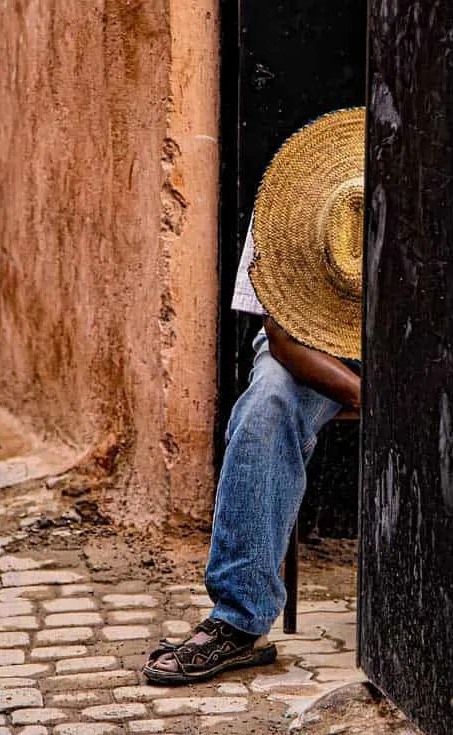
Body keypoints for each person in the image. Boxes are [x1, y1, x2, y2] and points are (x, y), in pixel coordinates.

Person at [144, 108, 365, 685]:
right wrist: (369, 396)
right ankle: (240, 621)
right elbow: (287, 345)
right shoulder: (287, 213)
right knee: (267, 402)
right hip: (313, 345)